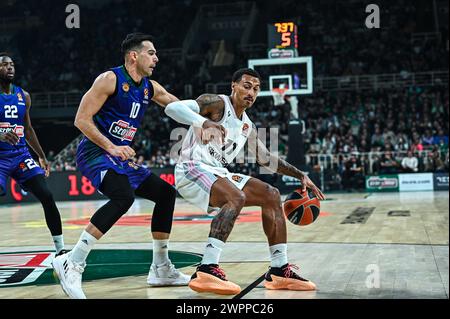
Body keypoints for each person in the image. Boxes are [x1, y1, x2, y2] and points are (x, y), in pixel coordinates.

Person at [52, 33, 190, 299]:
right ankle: (73, 260)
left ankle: (161, 267)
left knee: (165, 193)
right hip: (95, 152)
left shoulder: (149, 87)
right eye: (151, 53)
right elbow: (81, 120)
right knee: (123, 196)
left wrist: (206, 120)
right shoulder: (110, 79)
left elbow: (177, 105)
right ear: (133, 56)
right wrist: (112, 147)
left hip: (119, 158)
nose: (156, 58)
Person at [164, 68, 325, 295]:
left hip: (217, 171)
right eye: (247, 86)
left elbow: (266, 159)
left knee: (271, 194)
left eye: (256, 89)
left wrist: (301, 175)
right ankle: (207, 269)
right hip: (191, 167)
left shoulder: (246, 125)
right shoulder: (216, 104)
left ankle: (279, 270)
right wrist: (203, 122)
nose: (251, 92)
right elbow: (172, 108)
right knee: (235, 197)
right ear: (234, 86)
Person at [0, 53, 66, 256]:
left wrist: (41, 156)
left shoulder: (23, 96)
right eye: (4, 65)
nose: (10, 67)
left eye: (11, 64)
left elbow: (28, 129)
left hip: (20, 155)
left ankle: (61, 249)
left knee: (46, 195)